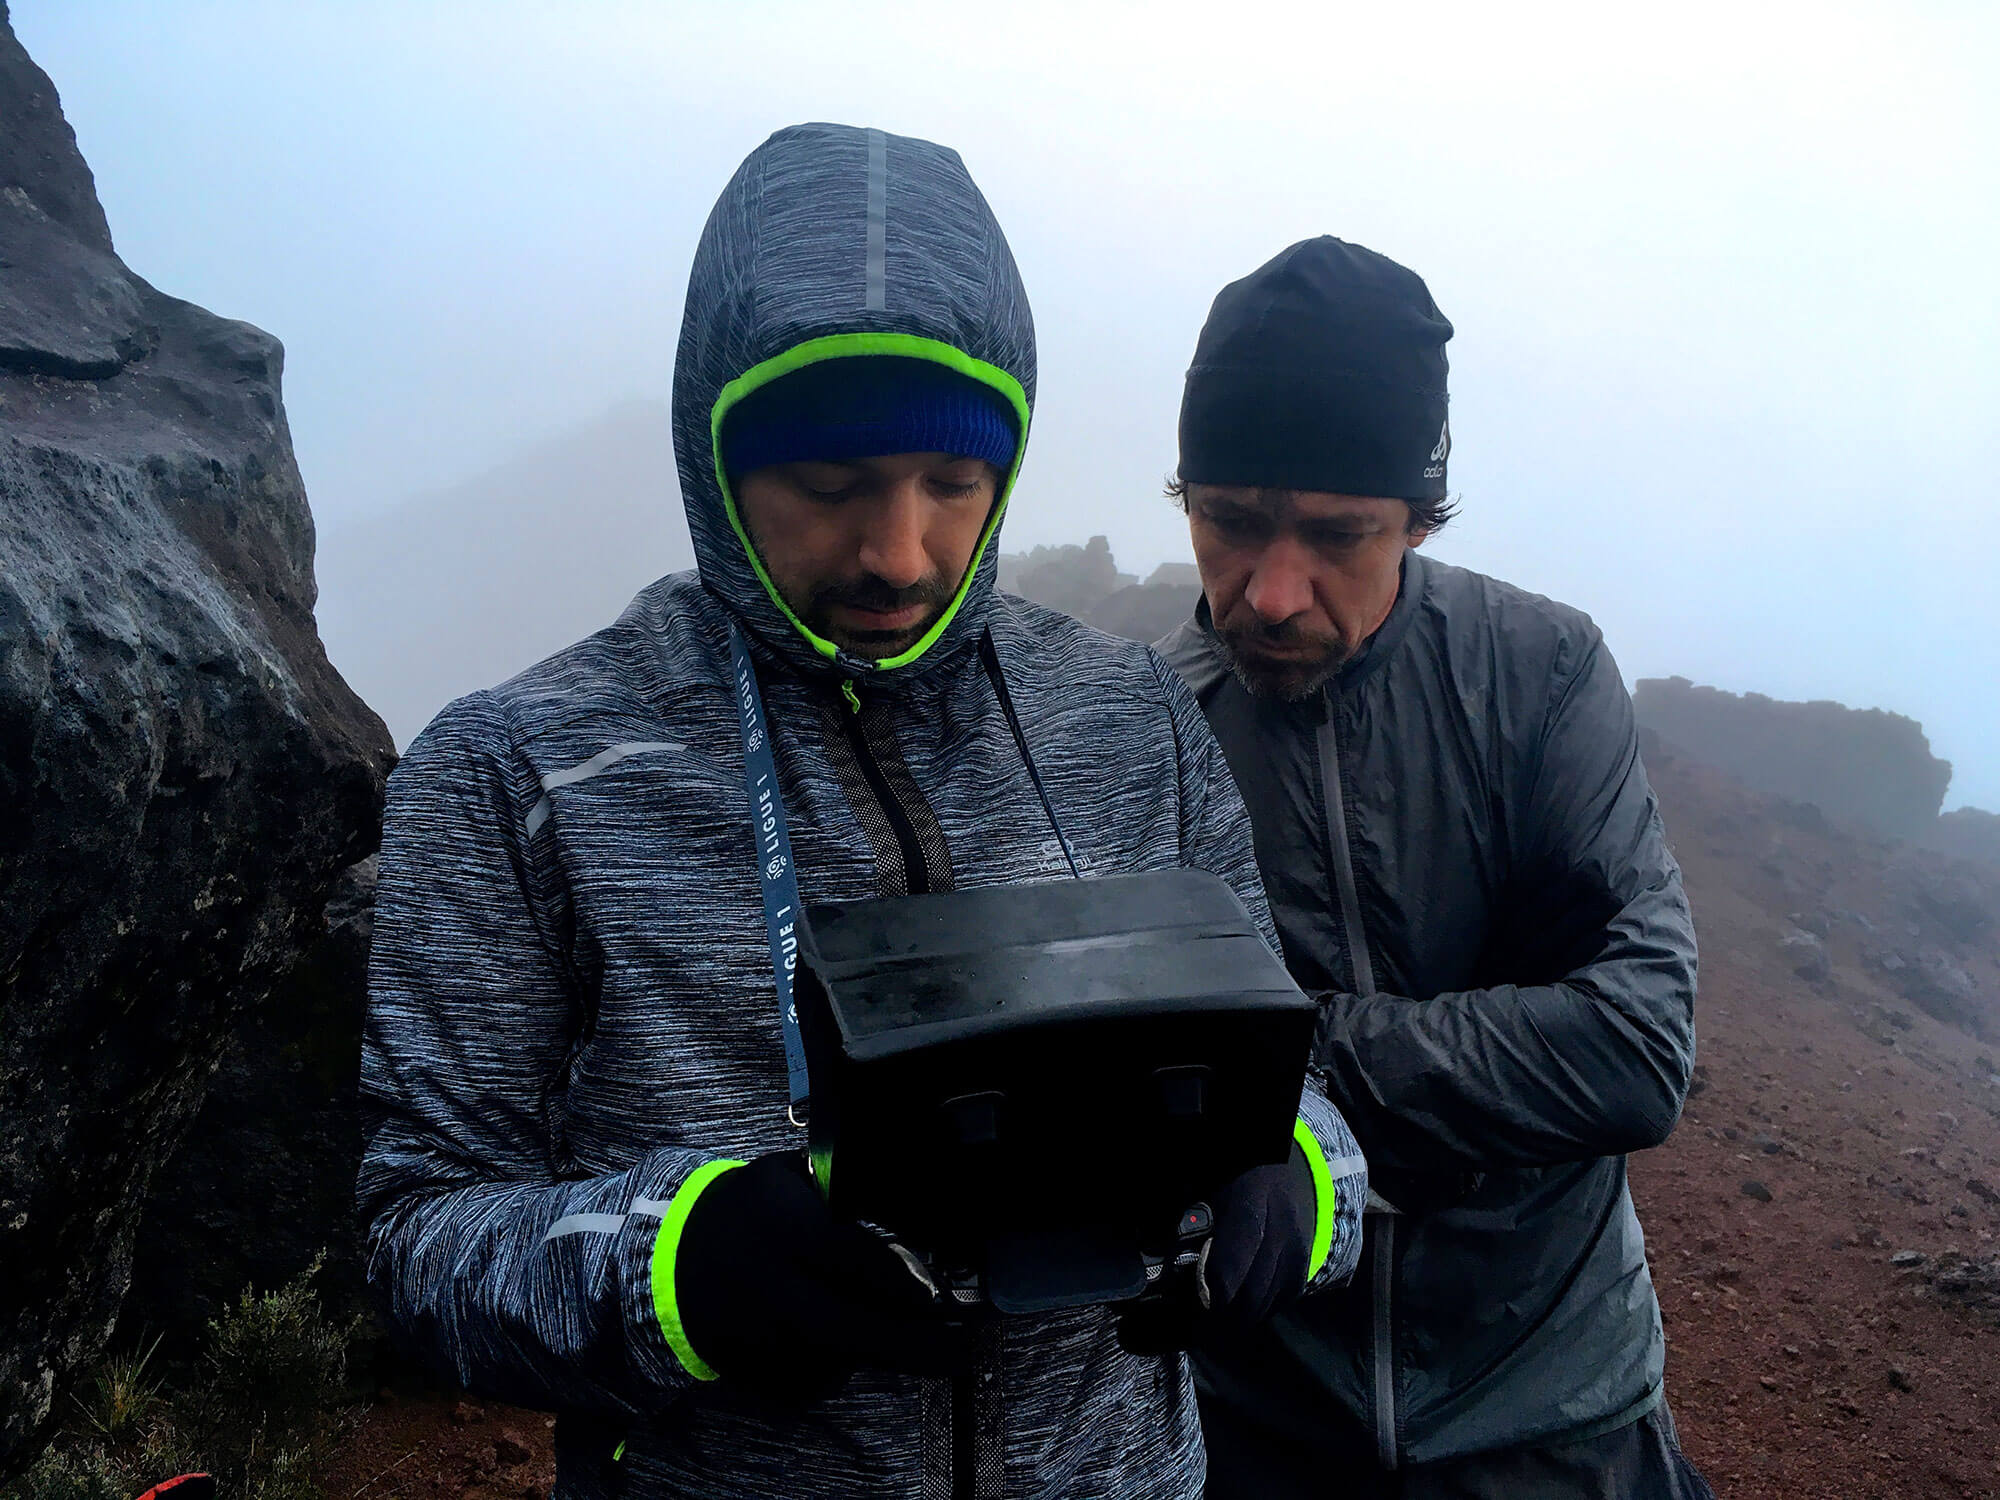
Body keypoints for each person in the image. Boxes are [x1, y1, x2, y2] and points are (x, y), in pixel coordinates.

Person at [358, 125, 1365, 1500]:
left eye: (955, 484)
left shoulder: (1132, 719)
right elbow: (419, 1235)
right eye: (830, 488)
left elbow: (1287, 1081)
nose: (900, 552)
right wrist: (683, 1266)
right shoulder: (521, 770)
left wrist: (1295, 1180)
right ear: (714, 463)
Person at [1157, 237, 1713, 1499]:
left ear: (1414, 515)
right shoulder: (1149, 730)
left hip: (1549, 1409)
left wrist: (1279, 1057)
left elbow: (1634, 1047)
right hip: (1256, 1423)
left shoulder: (1539, 676)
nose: (1273, 592)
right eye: (1230, 523)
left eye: (1338, 536)